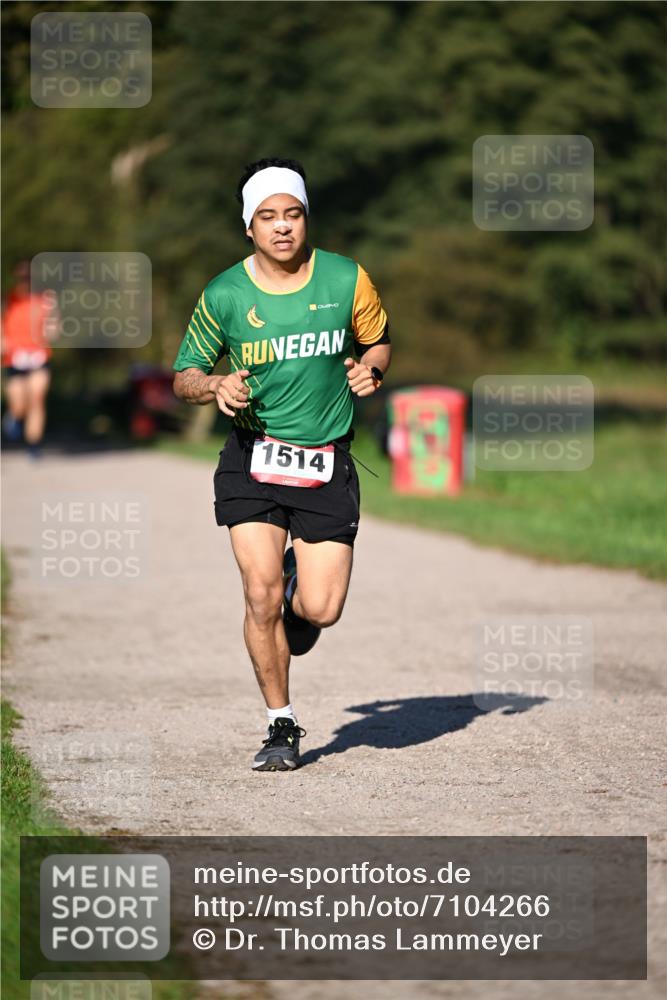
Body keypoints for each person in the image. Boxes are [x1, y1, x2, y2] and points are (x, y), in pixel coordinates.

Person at [173, 157, 391, 771]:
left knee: (319, 610)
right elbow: (183, 374)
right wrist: (213, 385)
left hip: (325, 461)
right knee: (258, 594)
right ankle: (281, 724)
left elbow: (378, 340)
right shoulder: (225, 293)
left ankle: (299, 585)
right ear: (249, 227)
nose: (282, 227)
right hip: (252, 459)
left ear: (305, 218)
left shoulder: (347, 279)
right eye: (267, 217)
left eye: (292, 214)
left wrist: (370, 370)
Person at [2, 261, 57, 457]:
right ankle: (14, 418)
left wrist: (53, 315)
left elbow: (53, 332)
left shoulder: (46, 299)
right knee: (19, 404)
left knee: (37, 398)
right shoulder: (9, 298)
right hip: (15, 356)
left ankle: (34, 444)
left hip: (38, 355)